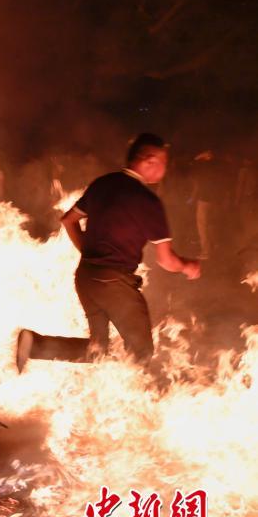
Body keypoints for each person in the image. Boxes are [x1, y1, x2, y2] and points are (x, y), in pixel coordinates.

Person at [16, 134, 201, 372]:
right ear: (149, 161)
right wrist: (188, 266)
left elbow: (68, 220)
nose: (165, 168)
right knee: (141, 352)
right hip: (114, 282)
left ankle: (36, 345)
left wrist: (90, 253)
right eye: (164, 162)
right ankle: (133, 402)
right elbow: (166, 260)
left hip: (86, 277)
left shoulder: (102, 184)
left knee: (98, 350)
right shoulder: (147, 201)